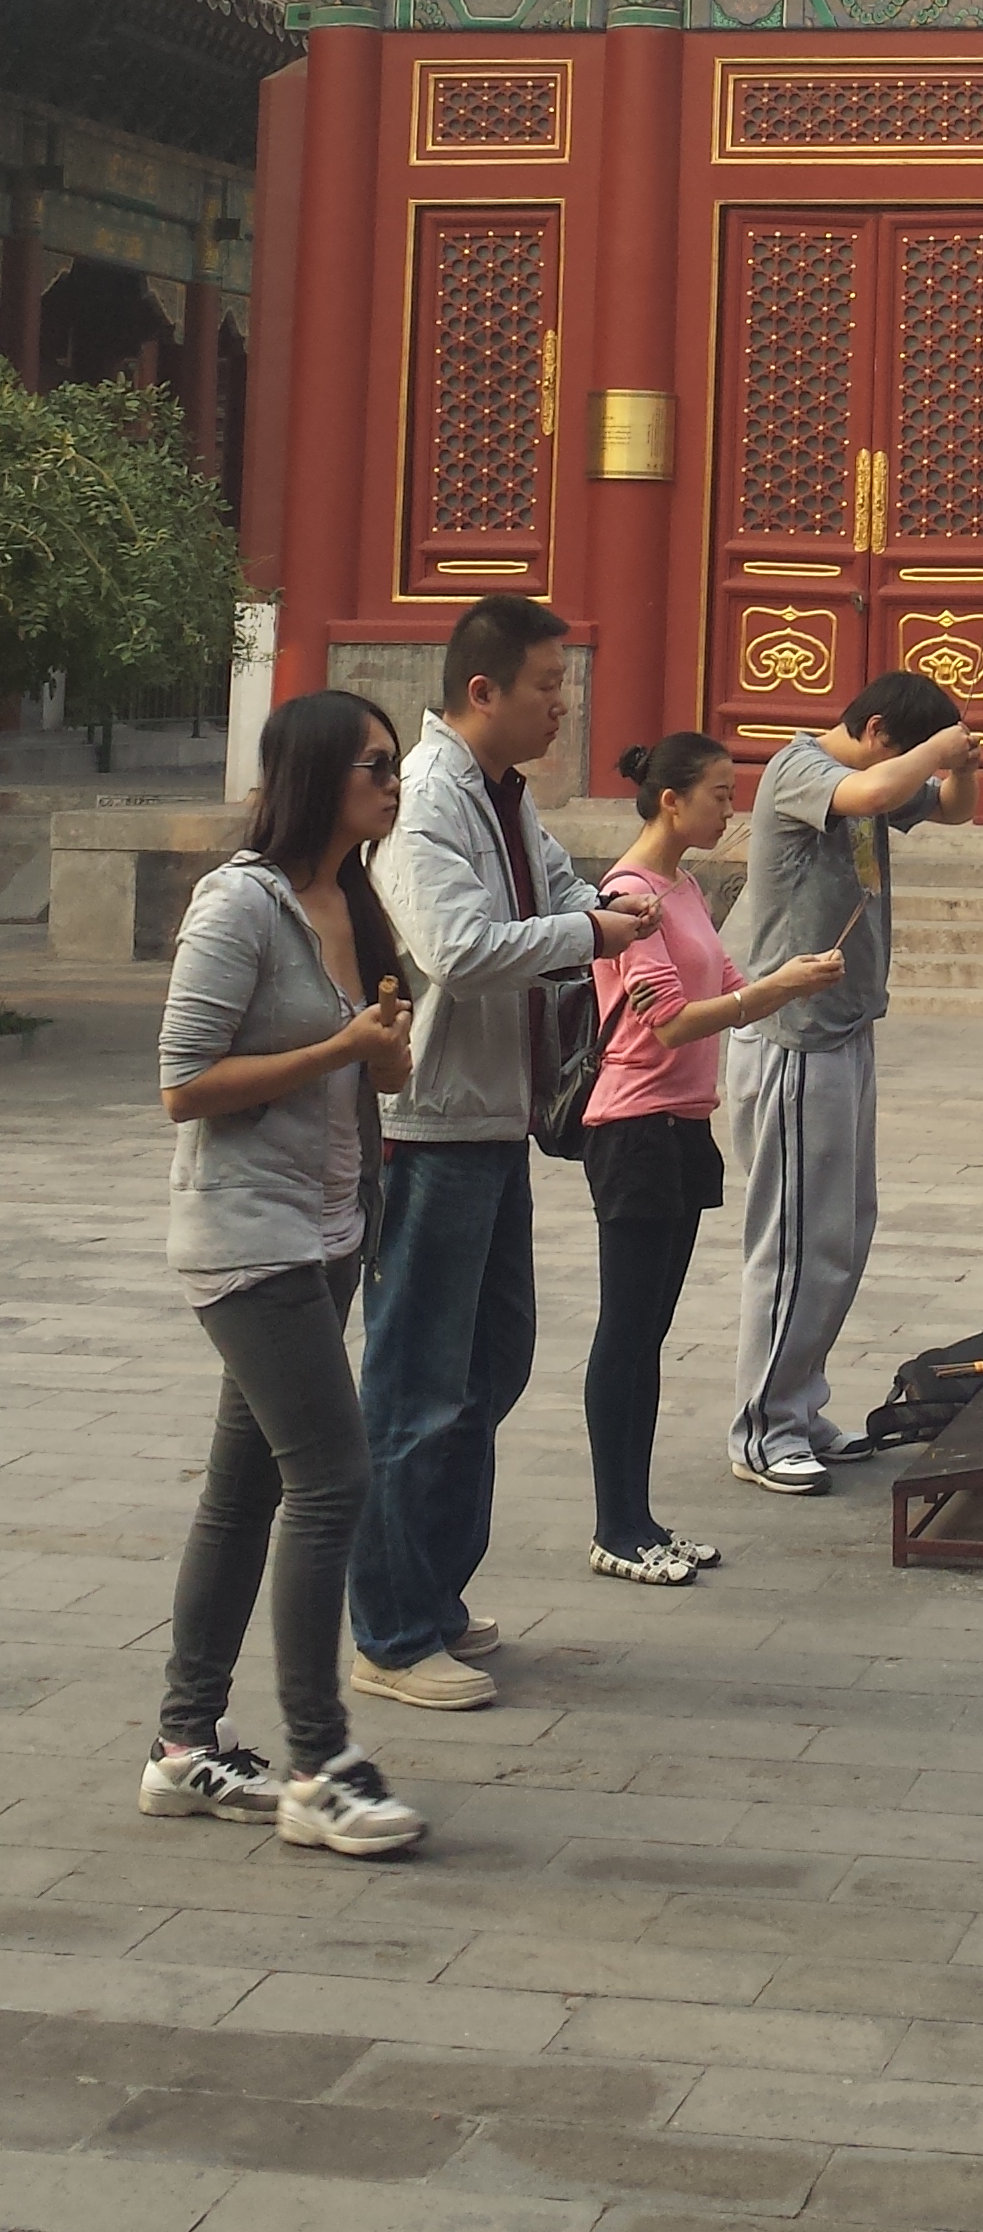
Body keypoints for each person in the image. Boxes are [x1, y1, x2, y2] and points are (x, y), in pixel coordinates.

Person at [347, 597, 656, 1706]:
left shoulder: (503, 798)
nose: (560, 707)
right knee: (419, 1382)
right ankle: (387, 1633)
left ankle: (431, 1591)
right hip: (429, 1129)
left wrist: (607, 902)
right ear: (482, 692)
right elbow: (459, 946)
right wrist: (588, 935)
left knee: (491, 1365)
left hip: (490, 1120)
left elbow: (561, 888)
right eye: (546, 688)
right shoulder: (429, 799)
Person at [148, 690, 426, 1857]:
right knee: (332, 1481)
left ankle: (183, 1747)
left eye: (396, 766)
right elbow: (182, 1083)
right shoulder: (241, 906)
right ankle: (319, 1763)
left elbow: (377, 1081)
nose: (392, 784)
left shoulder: (352, 902)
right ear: (315, 771)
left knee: (248, 1490)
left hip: (328, 1230)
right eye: (374, 765)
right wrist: (340, 1049)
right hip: (246, 1234)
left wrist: (382, 1056)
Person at [579, 733, 847, 1583]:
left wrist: (784, 977)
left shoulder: (684, 888)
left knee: (650, 1332)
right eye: (720, 793)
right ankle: (614, 1525)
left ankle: (639, 1515)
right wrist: (773, 992)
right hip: (634, 1126)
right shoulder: (629, 893)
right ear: (672, 801)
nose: (732, 808)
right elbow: (671, 1019)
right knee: (626, 1331)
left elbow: (727, 976)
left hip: (682, 1124)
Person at [727, 669, 978, 1496]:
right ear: (875, 732)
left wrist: (960, 764)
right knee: (797, 1239)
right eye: (910, 750)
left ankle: (798, 1405)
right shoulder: (799, 769)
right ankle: (763, 1428)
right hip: (793, 1039)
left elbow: (949, 808)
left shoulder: (869, 778)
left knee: (839, 1235)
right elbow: (875, 792)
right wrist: (933, 752)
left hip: (843, 1030)